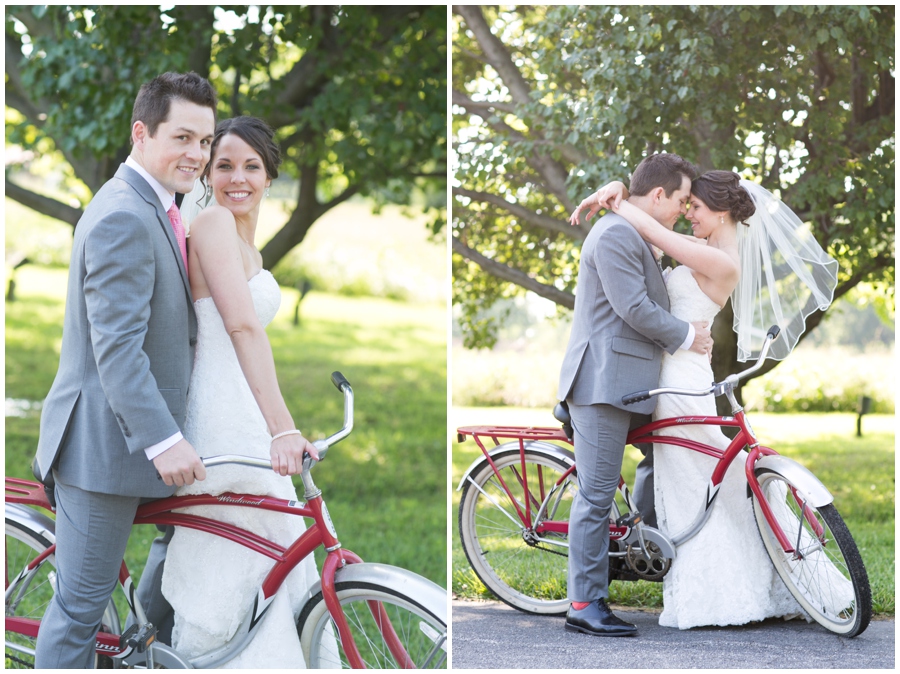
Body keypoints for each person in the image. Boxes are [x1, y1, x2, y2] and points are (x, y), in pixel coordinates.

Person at [574, 170, 839, 629]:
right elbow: (648, 249)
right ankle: (648, 550)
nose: (686, 213)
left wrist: (616, 197)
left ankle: (731, 571)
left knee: (703, 477)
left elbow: (654, 231)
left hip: (680, 378)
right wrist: (617, 190)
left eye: (693, 206)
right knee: (680, 473)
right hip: (660, 374)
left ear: (720, 213)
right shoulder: (704, 248)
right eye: (684, 202)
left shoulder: (722, 260)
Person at [32, 72, 217, 668]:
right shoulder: (123, 215)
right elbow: (115, 350)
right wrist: (164, 440)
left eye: (206, 141)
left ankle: (140, 648)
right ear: (141, 133)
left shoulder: (159, 204)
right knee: (80, 611)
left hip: (149, 439)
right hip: (104, 448)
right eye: (182, 137)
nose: (197, 154)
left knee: (189, 554)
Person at [158, 115, 329, 667]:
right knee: (231, 566)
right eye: (224, 164)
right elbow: (241, 329)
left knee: (276, 558)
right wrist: (284, 426)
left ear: (270, 175)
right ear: (207, 171)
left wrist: (277, 422)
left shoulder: (244, 243)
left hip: (245, 412)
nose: (237, 177)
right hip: (221, 419)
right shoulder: (210, 224)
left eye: (251, 166)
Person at [557, 153, 714, 637]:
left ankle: (635, 551)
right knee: (597, 496)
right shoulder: (615, 235)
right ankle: (584, 604)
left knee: (662, 462)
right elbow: (634, 308)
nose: (683, 211)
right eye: (682, 200)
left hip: (635, 386)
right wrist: (690, 335)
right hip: (603, 385)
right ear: (660, 195)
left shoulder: (633, 230)